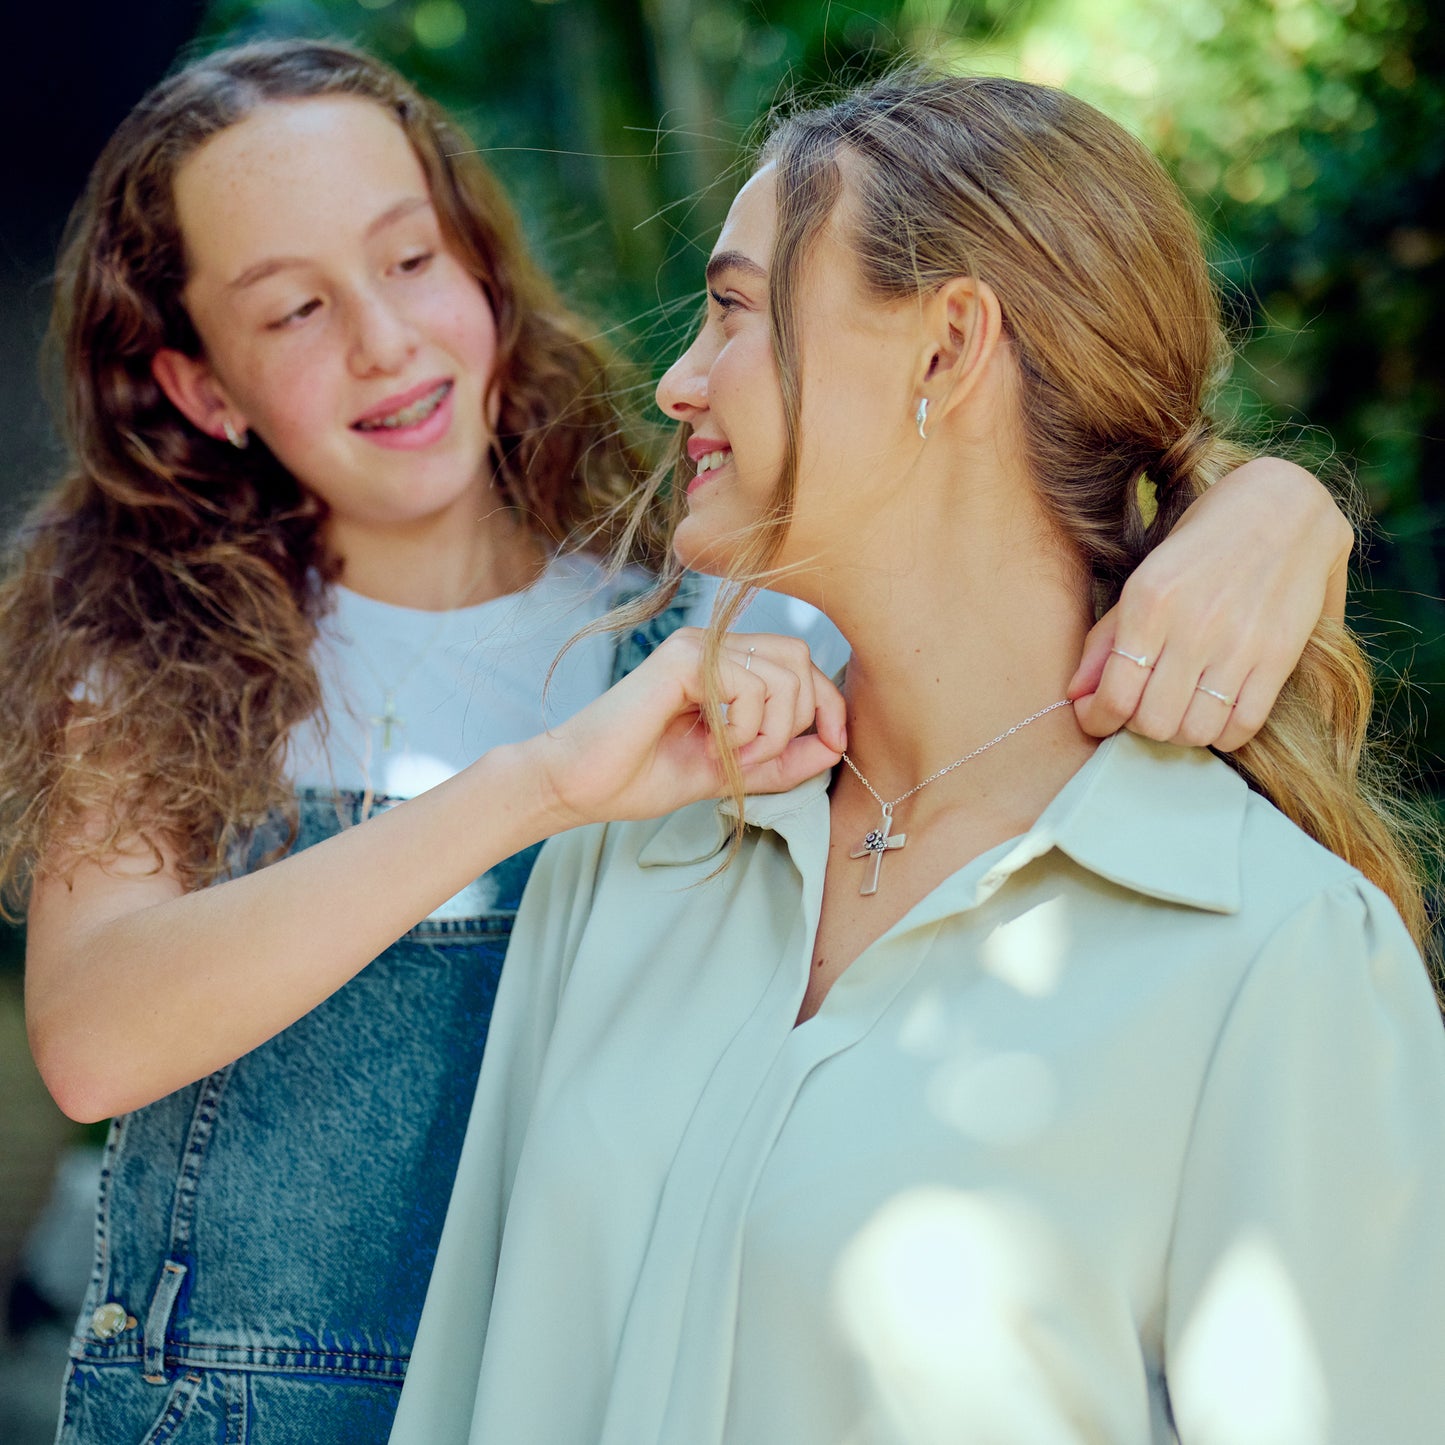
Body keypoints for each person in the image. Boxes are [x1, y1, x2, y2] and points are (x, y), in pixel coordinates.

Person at [0, 38, 1347, 1445]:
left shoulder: (703, 597)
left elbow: (998, 557)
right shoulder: (151, 652)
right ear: (203, 389)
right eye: (292, 311)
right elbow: (93, 1042)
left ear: (481, 268)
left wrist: (1269, 506)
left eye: (411, 263)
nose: (385, 342)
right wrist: (535, 787)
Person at [385, 71, 1445, 1445]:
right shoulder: (637, 843)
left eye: (730, 311)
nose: (677, 379)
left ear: (946, 347)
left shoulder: (1276, 954)